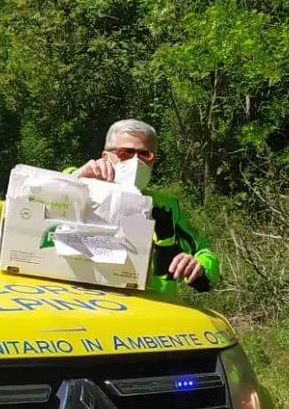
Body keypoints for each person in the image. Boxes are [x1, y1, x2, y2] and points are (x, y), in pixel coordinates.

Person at [69, 118, 220, 294]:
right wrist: (76, 180)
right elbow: (42, 196)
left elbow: (203, 252)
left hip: (148, 310)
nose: (135, 162)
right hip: (83, 302)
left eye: (144, 155)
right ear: (105, 156)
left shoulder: (166, 207)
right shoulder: (76, 183)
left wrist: (200, 266)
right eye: (125, 153)